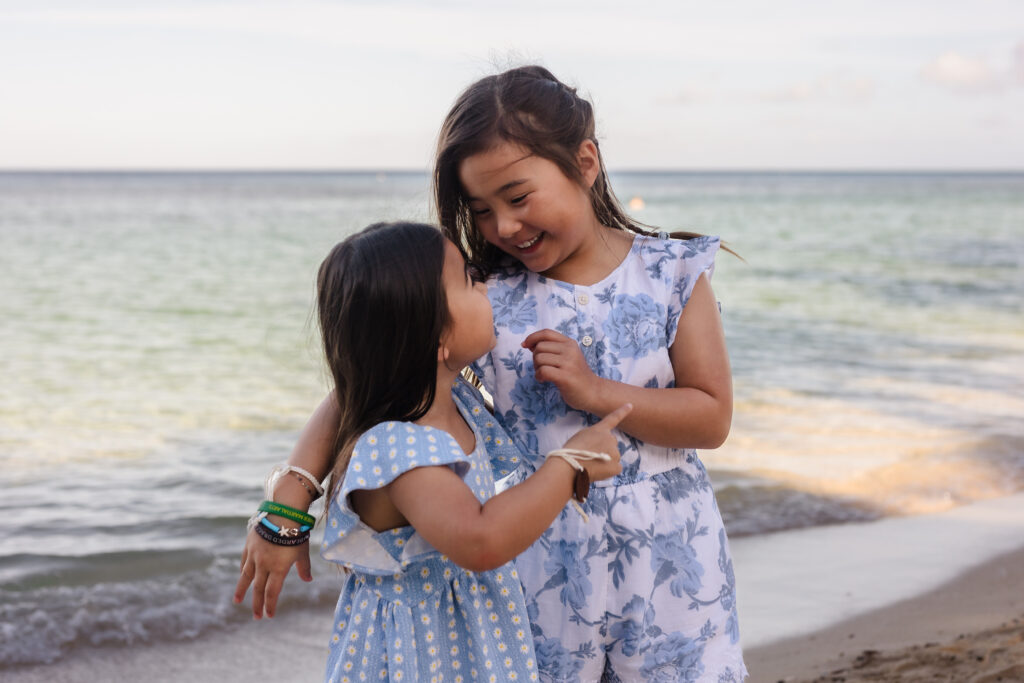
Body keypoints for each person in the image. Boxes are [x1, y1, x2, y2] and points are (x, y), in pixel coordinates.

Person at [430, 65, 746, 682]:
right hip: (537, 562)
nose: (503, 227)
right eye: (482, 211)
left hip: (670, 560)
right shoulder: (487, 295)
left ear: (585, 161)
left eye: (518, 197)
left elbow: (712, 417)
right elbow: (378, 376)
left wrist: (594, 391)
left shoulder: (672, 274)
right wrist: (293, 495)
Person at [234, 221, 631, 682]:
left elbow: (347, 391)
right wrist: (569, 465)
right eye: (468, 280)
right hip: (419, 659)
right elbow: (479, 541)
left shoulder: (451, 396)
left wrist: (294, 491)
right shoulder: (397, 447)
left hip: (469, 645)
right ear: (435, 336)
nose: (485, 285)